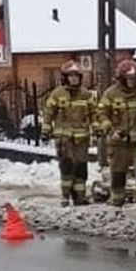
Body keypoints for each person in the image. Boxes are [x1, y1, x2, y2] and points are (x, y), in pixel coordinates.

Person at [97, 59, 136, 217]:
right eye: (128, 79)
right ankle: (117, 204)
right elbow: (102, 114)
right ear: (121, 79)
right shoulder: (110, 94)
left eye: (134, 78)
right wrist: (110, 130)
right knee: (118, 174)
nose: (132, 82)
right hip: (118, 142)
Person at [41, 60, 97, 207]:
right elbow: (48, 113)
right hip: (64, 139)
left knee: (81, 168)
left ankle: (80, 197)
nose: (73, 79)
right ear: (65, 78)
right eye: (70, 76)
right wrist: (46, 130)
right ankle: (65, 196)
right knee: (67, 167)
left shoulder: (86, 94)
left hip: (82, 139)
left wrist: (98, 129)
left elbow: (94, 114)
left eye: (76, 76)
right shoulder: (57, 94)